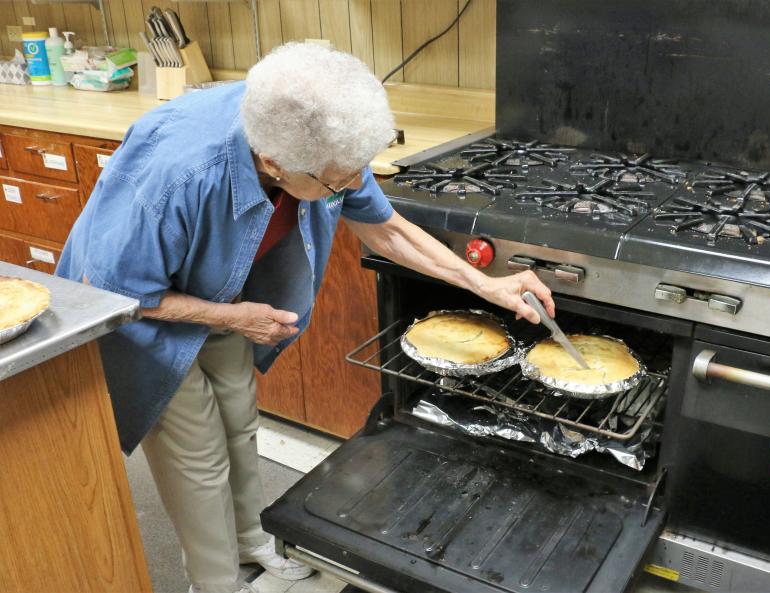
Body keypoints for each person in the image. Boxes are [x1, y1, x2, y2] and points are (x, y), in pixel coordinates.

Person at [57, 42, 555, 593]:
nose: (348, 188)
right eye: (336, 184)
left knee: (239, 419)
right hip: (147, 308)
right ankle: (214, 581)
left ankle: (251, 540)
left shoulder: (320, 141)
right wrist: (233, 315)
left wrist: (486, 283)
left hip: (227, 288)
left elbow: (384, 228)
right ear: (272, 163)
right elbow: (117, 293)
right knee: (196, 455)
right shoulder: (175, 170)